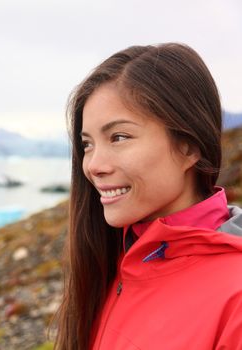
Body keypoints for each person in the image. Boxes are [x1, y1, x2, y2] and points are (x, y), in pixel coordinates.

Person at [54, 43, 242, 349]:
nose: (94, 166)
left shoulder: (236, 297)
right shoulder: (118, 261)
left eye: (119, 137)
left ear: (189, 147)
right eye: (87, 144)